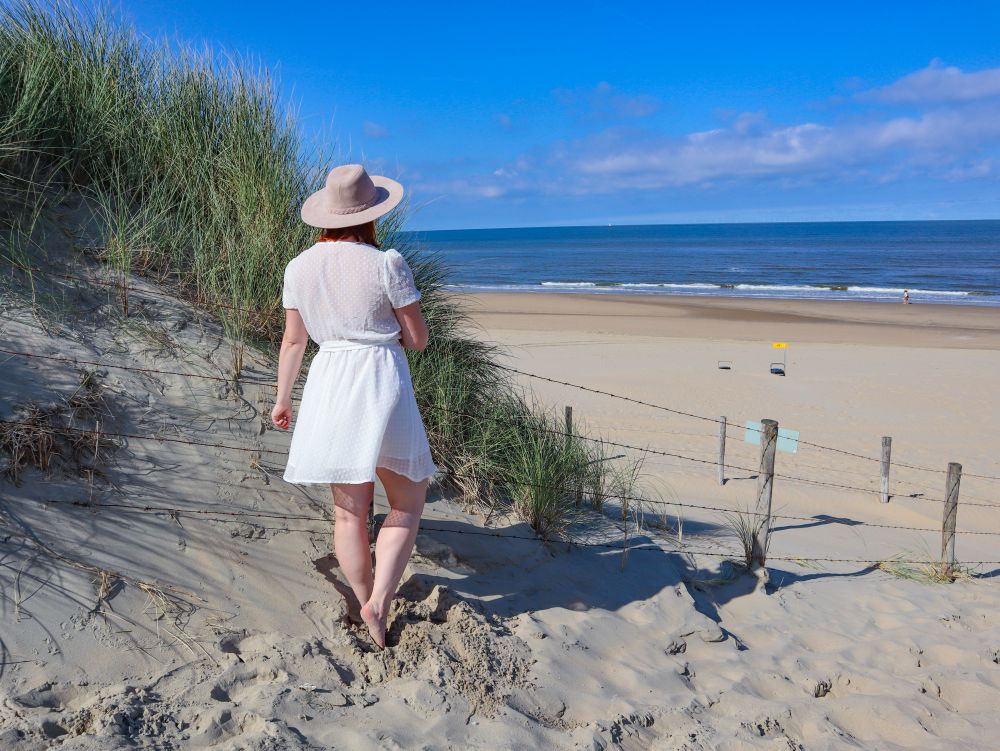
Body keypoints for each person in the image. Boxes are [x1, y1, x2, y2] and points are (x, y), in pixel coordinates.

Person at [272, 164, 437, 649]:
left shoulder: (299, 266)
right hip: (380, 379)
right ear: (371, 213)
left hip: (329, 382)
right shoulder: (387, 261)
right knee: (406, 501)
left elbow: (293, 341)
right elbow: (418, 339)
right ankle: (380, 600)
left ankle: (365, 598)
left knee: (348, 513)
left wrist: (283, 398)